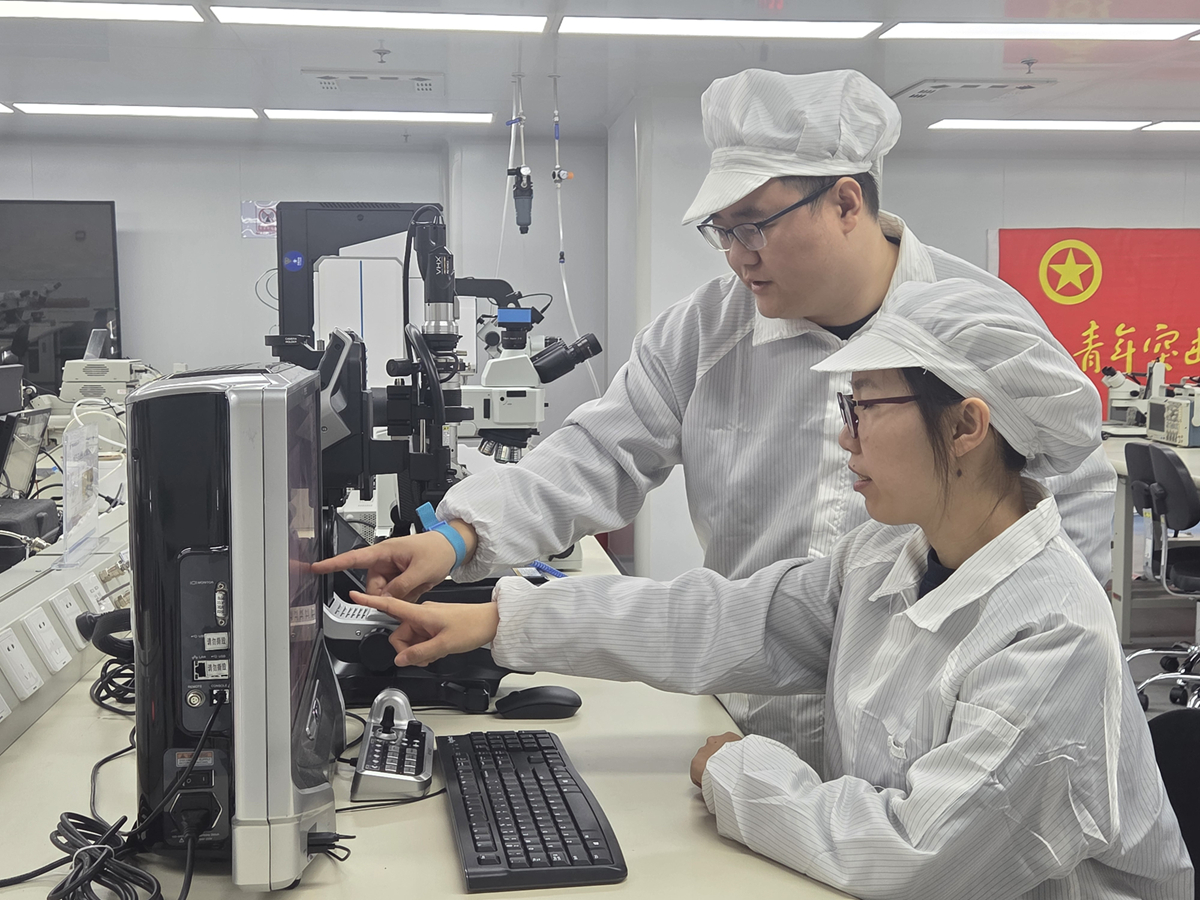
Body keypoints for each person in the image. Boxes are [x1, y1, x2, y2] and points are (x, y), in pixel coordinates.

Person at [313, 68, 1116, 772]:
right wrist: (459, 538)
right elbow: (602, 454)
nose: (736, 254)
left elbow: (1063, 522)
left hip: (936, 720)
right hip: (748, 707)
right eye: (720, 231)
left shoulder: (977, 328)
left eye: (754, 225)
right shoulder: (705, 332)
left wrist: (1016, 671)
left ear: (846, 201)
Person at [336, 279, 1191, 900]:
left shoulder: (1050, 635)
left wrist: (738, 772)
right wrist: (498, 619)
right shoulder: (887, 556)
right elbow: (724, 620)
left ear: (967, 424)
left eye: (864, 407)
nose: (845, 437)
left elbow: (908, 855)